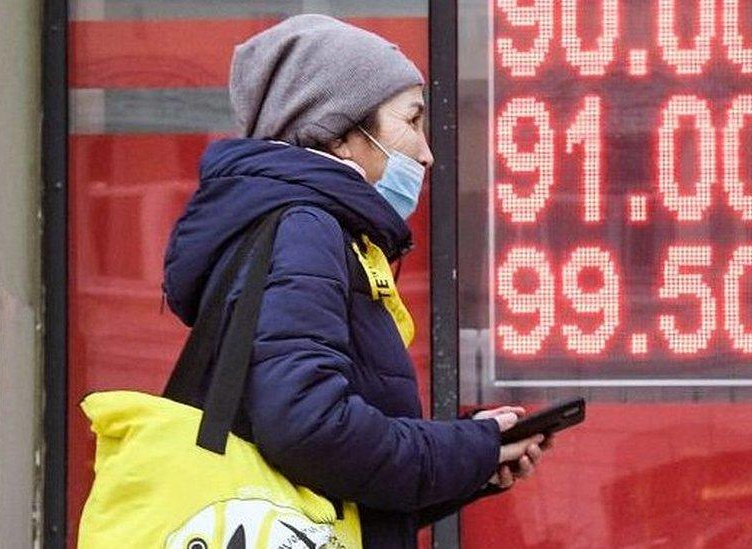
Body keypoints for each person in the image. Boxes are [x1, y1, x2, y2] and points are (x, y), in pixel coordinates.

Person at [162, 14, 551, 549]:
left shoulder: (299, 227)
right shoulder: (306, 229)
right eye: (412, 121)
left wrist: (474, 461)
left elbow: (327, 505)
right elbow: (309, 430)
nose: (426, 152)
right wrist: (468, 447)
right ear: (342, 135)